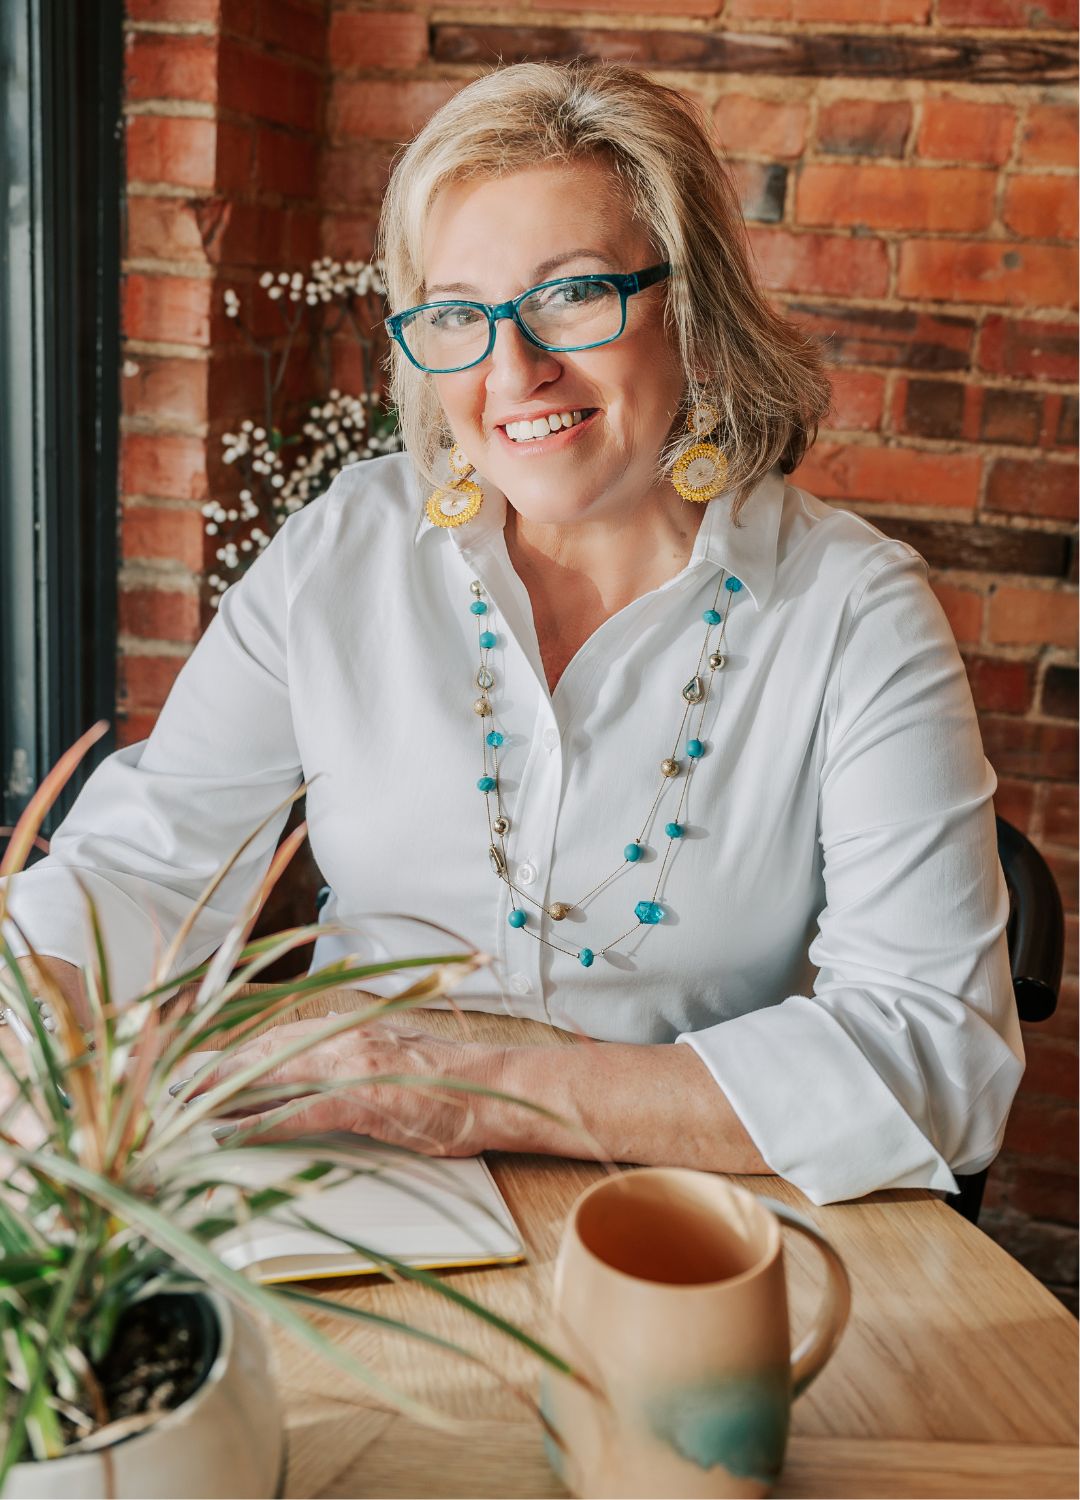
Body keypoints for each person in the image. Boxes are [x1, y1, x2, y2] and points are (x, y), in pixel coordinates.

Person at [4, 61, 1022, 1204]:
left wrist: (474, 1091)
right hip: (354, 1181)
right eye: (456, 314)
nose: (513, 370)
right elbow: (144, 864)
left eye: (572, 294)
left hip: (690, 1217)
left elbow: (939, 1056)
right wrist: (35, 1007)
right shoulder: (346, 549)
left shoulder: (855, 610)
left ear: (694, 310)